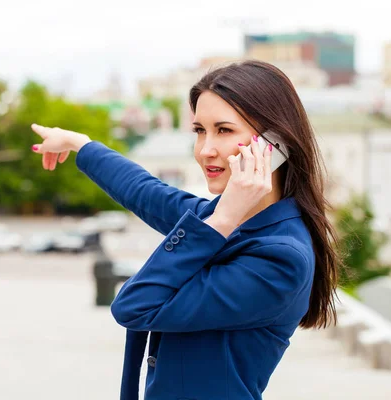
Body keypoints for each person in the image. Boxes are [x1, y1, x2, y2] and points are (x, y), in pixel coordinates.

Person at [30, 60, 342, 400]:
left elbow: (134, 306)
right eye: (199, 130)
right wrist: (80, 144)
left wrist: (221, 221)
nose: (205, 149)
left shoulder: (281, 257)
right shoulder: (230, 218)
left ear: (274, 144)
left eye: (223, 130)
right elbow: (145, 192)